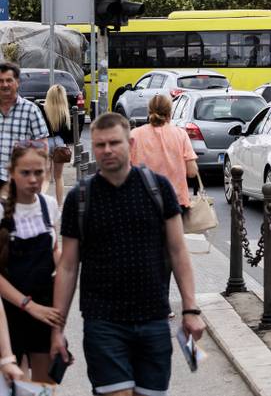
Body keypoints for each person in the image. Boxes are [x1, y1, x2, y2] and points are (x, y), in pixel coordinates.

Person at [51, 112, 205, 396]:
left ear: (129, 144)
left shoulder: (158, 189)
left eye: (114, 143)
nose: (106, 150)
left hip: (153, 319)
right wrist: (57, 328)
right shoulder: (80, 199)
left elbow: (178, 251)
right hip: (103, 322)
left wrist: (190, 309)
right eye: (99, 145)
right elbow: (68, 267)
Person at [0, 142, 64, 382]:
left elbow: (54, 250)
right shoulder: (2, 210)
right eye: (25, 173)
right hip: (9, 310)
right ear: (12, 173)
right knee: (12, 383)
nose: (33, 179)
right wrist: (28, 305)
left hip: (44, 307)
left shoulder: (48, 206)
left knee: (43, 386)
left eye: (39, 172)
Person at [130, 95, 198, 209]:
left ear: (149, 112)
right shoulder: (180, 134)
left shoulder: (134, 135)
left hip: (143, 201)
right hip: (176, 200)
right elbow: (192, 172)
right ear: (170, 113)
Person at [0, 63, 49, 194]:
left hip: (19, 182)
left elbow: (43, 147)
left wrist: (22, 145)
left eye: (9, 80)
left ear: (17, 82)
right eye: (1, 81)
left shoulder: (31, 110)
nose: (4, 85)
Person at [41, 84, 74, 207]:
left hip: (44, 142)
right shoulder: (64, 111)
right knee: (59, 177)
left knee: (45, 177)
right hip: (59, 143)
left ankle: (41, 203)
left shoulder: (42, 109)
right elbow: (68, 134)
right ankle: (59, 207)